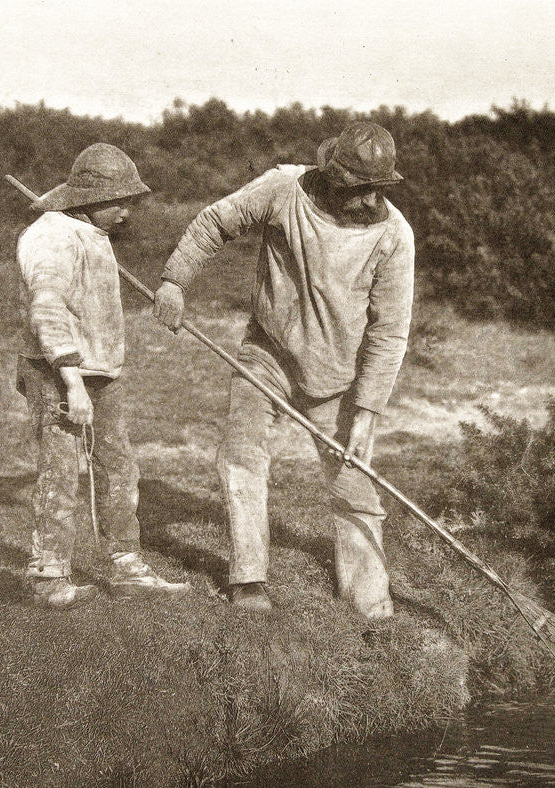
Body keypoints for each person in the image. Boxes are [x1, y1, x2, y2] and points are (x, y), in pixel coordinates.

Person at [153, 122, 414, 619]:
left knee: (355, 486)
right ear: (333, 175)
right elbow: (215, 222)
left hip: (341, 375)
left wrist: (368, 411)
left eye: (378, 189)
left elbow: (390, 330)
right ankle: (248, 580)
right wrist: (174, 281)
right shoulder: (283, 189)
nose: (368, 200)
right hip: (267, 354)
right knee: (242, 456)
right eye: (359, 188)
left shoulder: (395, 237)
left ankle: (369, 604)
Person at [17, 142, 191, 608]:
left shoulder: (91, 235)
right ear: (92, 200)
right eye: (122, 201)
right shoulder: (50, 236)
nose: (129, 212)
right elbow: (47, 308)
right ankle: (49, 577)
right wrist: (71, 382)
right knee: (61, 470)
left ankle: (125, 563)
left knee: (118, 467)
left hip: (102, 372)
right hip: (58, 372)